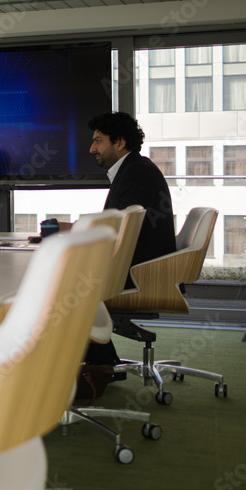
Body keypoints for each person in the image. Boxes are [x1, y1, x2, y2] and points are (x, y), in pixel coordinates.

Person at [85, 111, 176, 367]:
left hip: (140, 274)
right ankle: (100, 360)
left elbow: (123, 231)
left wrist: (76, 235)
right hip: (137, 267)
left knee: (65, 287)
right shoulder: (134, 169)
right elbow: (118, 226)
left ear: (120, 143)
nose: (92, 148)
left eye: (99, 141)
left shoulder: (137, 173)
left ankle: (97, 363)